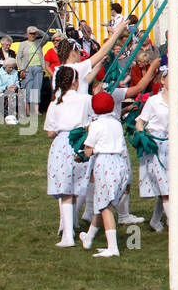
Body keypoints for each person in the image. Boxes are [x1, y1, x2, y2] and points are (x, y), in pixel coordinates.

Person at [78, 91, 131, 258]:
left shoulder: (96, 125)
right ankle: (89, 238)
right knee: (103, 203)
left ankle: (113, 247)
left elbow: (88, 150)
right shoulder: (116, 123)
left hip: (105, 164)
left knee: (105, 207)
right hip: (121, 164)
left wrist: (82, 151)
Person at [44, 66, 92, 247]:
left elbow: (50, 132)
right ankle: (69, 229)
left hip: (62, 143)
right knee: (74, 187)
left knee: (65, 190)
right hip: (80, 143)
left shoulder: (55, 102)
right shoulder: (86, 99)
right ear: (74, 81)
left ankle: (68, 234)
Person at [135, 66, 173, 232]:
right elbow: (140, 121)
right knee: (166, 188)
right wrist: (142, 134)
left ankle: (156, 220)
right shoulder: (153, 101)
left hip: (174, 146)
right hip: (156, 147)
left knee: (168, 186)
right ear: (162, 80)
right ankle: (175, 225)